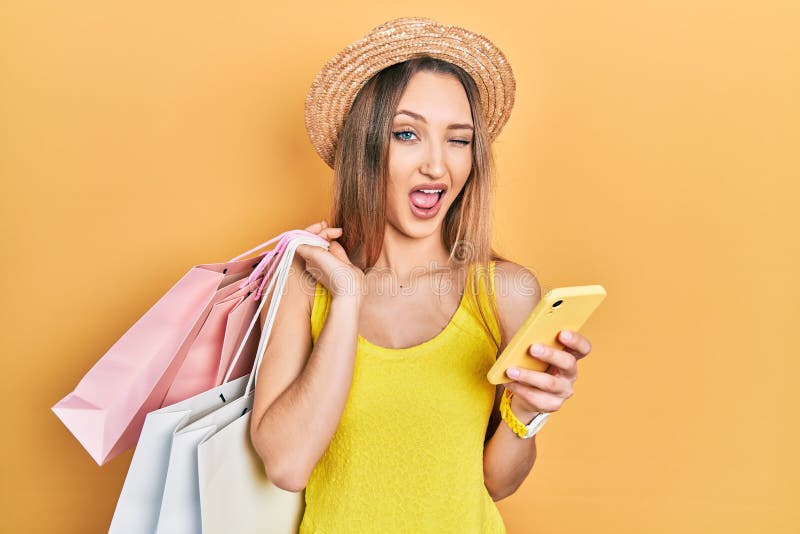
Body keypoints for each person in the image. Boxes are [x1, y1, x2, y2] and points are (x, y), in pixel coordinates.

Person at [249, 17, 593, 533]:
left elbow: (496, 482)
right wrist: (346, 299)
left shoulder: (505, 291)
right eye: (407, 134)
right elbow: (287, 465)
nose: (437, 166)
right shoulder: (304, 282)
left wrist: (526, 412)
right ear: (366, 148)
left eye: (458, 140)